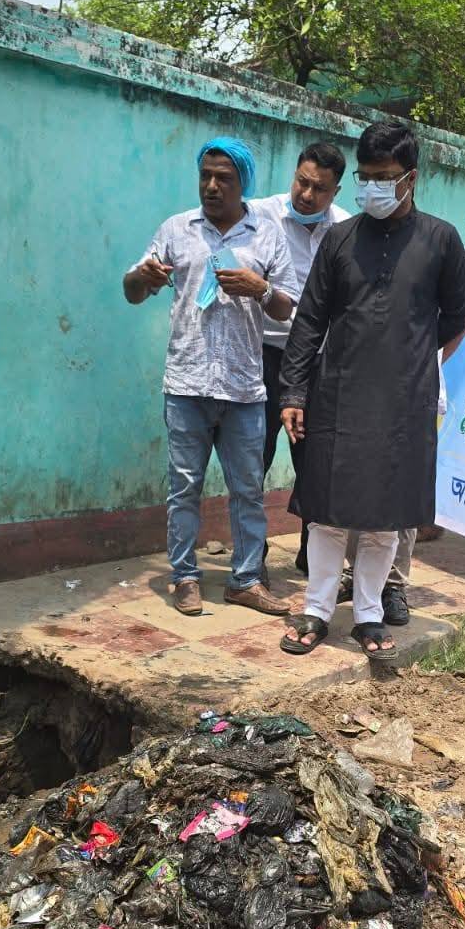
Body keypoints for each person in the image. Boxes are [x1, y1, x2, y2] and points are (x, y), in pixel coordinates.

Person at [277, 120, 465, 658]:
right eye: (365, 177)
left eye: (384, 177)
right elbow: (309, 320)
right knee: (328, 512)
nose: (373, 188)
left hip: (406, 401)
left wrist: (408, 355)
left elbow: (458, 315)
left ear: (411, 178)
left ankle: (368, 615)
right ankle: (317, 610)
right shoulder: (340, 239)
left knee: (386, 516)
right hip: (337, 394)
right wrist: (294, 393)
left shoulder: (441, 240)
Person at [124, 136, 295, 618]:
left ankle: (245, 580)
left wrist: (261, 289)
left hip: (243, 386)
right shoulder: (177, 230)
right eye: (206, 176)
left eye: (224, 178)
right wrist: (145, 277)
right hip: (187, 383)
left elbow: (286, 309)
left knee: (248, 489)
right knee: (184, 488)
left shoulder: (267, 235)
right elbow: (132, 290)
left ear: (245, 185)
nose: (213, 186)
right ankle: (184, 576)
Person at [250, 142, 350, 577]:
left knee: (316, 461)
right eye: (302, 182)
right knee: (254, 454)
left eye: (320, 189)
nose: (307, 195)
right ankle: (250, 556)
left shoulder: (347, 228)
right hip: (262, 355)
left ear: (335, 190)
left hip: (317, 362)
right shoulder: (259, 214)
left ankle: (314, 557)